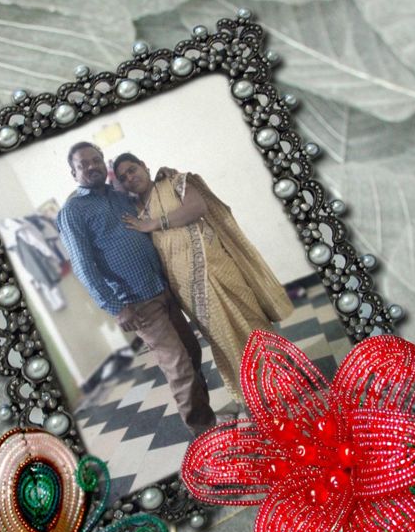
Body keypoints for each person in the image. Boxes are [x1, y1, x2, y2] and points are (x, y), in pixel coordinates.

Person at [56, 142, 216, 436]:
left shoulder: (120, 196)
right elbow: (82, 265)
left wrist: (164, 176)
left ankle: (207, 419)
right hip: (137, 303)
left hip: (163, 287)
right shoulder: (72, 211)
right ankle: (205, 434)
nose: (91, 166)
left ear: (103, 163)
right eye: (83, 164)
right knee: (178, 365)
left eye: (95, 160)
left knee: (192, 352)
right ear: (73, 173)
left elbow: (149, 194)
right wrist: (116, 308)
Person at [113, 153, 293, 403]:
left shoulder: (174, 182)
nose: (130, 178)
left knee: (252, 319)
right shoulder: (133, 211)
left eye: (132, 169)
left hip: (218, 267)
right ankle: (255, 393)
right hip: (186, 286)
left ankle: (283, 378)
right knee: (222, 337)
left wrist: (154, 224)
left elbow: (197, 207)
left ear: (144, 166)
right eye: (123, 177)